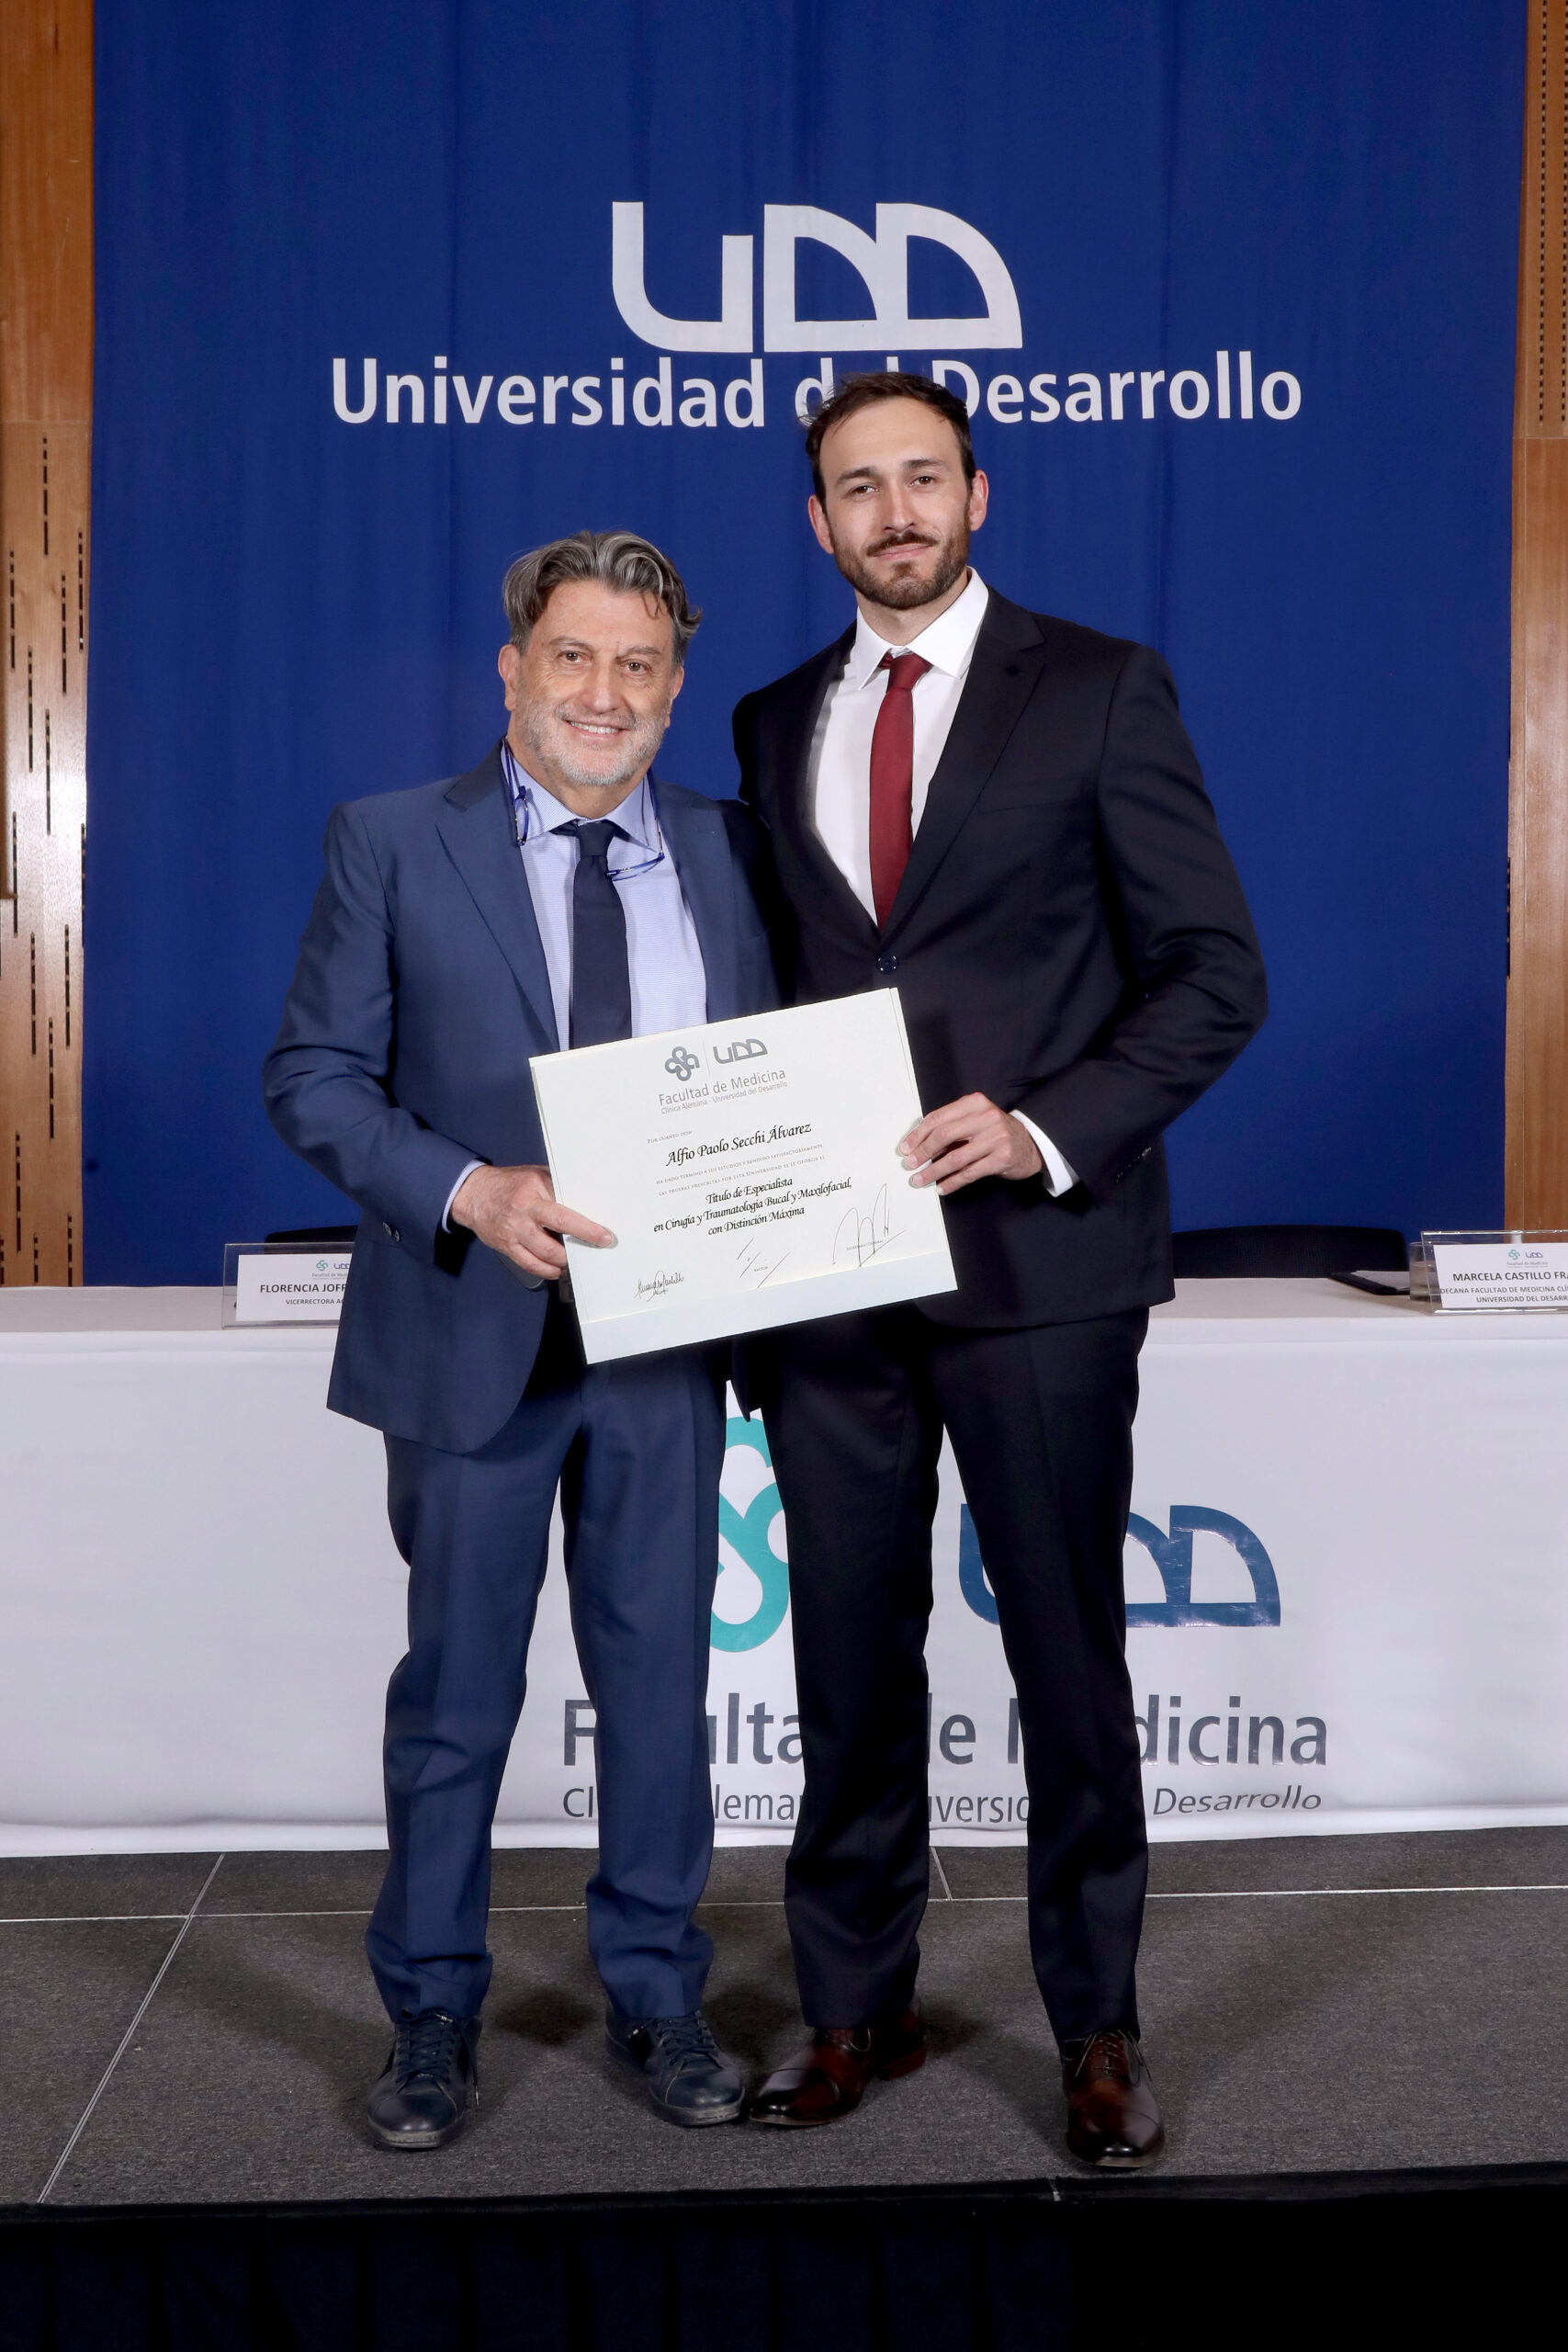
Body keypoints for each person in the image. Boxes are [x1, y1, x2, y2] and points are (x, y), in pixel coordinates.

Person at [733, 374, 1267, 2165]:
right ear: (817, 521)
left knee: (1064, 1657)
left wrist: (1042, 1126)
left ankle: (1096, 2027)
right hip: (826, 1274)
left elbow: (1214, 973)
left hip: (1040, 1262)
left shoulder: (1102, 688)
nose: (891, 511)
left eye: (920, 478)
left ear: (979, 492)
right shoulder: (766, 718)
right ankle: (850, 2006)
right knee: (841, 1658)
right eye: (854, 487)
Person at [265, 530, 778, 2148]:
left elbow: (780, 1075)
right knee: (458, 1694)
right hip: (469, 1335)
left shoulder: (735, 848)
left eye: (638, 664)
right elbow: (313, 1077)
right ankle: (430, 2013)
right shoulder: (390, 840)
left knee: (661, 1686)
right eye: (574, 656)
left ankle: (658, 1992)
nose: (603, 693)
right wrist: (468, 1188)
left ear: (675, 687)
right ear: (512, 670)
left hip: (666, 1345)